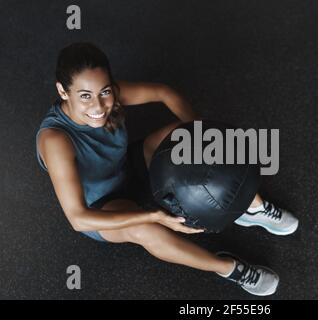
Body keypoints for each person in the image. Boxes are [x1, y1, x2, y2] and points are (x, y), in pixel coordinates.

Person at [35, 42, 299, 296]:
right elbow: (78, 218)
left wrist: (202, 143)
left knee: (182, 135)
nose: (98, 106)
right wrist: (152, 216)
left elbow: (164, 93)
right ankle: (230, 269)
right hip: (102, 205)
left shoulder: (109, 95)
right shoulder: (56, 140)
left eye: (104, 91)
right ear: (62, 91)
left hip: (127, 165)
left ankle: (252, 208)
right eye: (85, 96)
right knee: (146, 232)